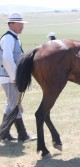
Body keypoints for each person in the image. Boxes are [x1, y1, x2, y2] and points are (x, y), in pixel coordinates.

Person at [0, 12, 36, 141]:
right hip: (9, 77)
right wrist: (16, 77)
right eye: (19, 24)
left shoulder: (14, 38)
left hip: (9, 77)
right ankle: (23, 134)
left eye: (22, 24)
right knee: (16, 105)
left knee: (11, 105)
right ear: (11, 24)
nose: (22, 26)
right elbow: (7, 59)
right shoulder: (9, 38)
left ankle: (3, 134)